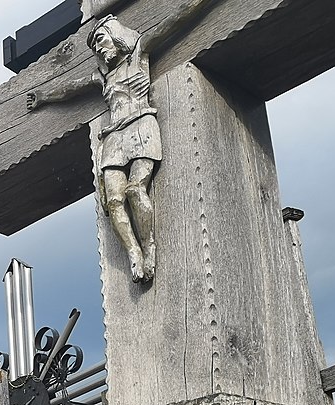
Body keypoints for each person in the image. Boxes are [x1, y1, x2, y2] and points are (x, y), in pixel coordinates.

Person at [26, 2, 212, 283]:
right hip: (114, 136)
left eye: (100, 40)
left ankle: (149, 250)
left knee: (136, 189)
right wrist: (43, 96)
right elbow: (71, 89)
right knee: (113, 200)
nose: (99, 49)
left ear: (115, 35)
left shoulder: (139, 52)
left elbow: (175, 20)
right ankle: (134, 254)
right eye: (94, 48)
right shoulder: (103, 75)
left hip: (141, 124)